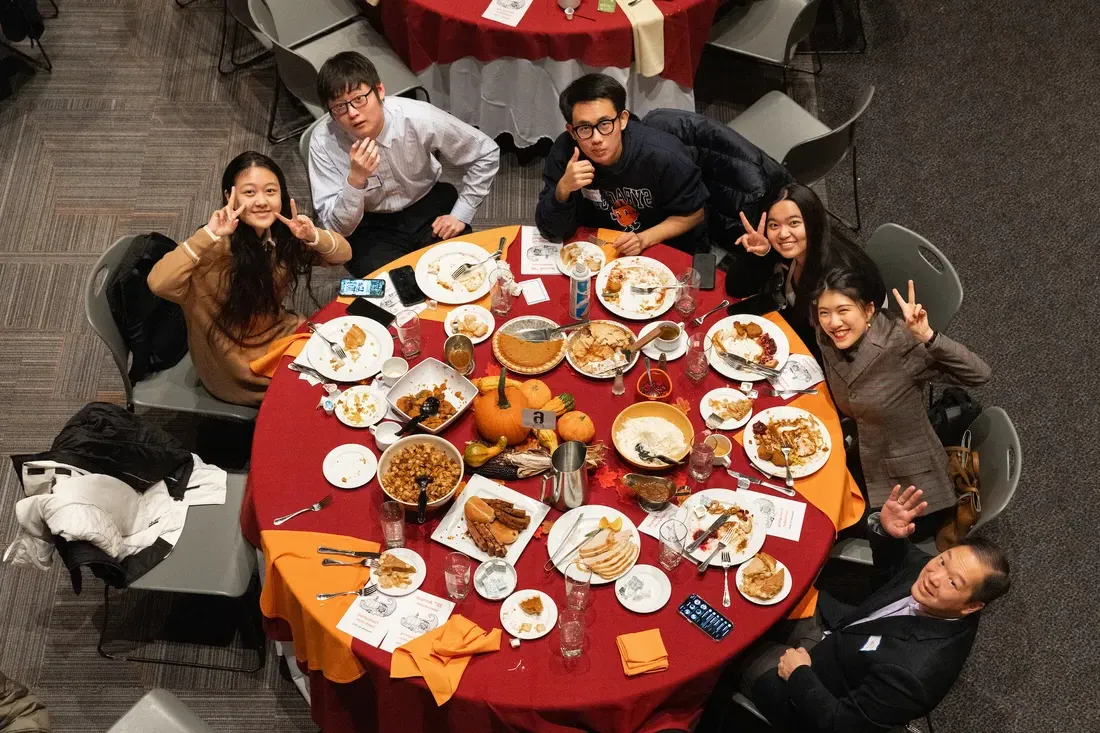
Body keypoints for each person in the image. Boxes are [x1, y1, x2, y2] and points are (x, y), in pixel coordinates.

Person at [743, 485, 1011, 733]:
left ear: (972, 606)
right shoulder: (934, 577)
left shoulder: (913, 675)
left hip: (810, 693)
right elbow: (896, 572)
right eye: (943, 561)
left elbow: (840, 724)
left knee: (730, 642)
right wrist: (887, 533)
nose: (934, 576)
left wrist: (799, 675)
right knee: (759, 590)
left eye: (953, 582)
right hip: (839, 636)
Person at [148, 152, 351, 407]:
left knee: (344, 362)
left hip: (279, 330)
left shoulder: (281, 235)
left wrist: (313, 235)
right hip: (236, 359)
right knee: (315, 394)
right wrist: (208, 234)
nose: (262, 201)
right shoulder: (212, 247)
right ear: (229, 197)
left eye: (270, 191)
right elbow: (159, 283)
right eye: (249, 193)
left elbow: (343, 255)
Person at [812, 267, 992, 537]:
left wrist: (929, 338)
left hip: (911, 492)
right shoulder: (827, 336)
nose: (833, 322)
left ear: (869, 310)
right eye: (824, 313)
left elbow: (980, 374)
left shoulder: (900, 343)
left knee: (823, 526)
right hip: (862, 456)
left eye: (843, 310)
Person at [308, 52, 500, 277]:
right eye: (339, 107)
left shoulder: (417, 117)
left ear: (379, 91)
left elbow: (485, 153)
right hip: (369, 222)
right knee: (393, 295)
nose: (353, 113)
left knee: (457, 274)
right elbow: (336, 229)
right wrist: (355, 181)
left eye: (359, 99)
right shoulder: (322, 142)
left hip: (427, 205)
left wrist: (461, 212)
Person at [535, 73, 709, 255]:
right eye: (584, 128)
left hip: (657, 243)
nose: (596, 139)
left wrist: (644, 239)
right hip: (598, 246)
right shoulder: (566, 152)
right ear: (571, 131)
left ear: (623, 120)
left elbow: (695, 214)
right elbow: (551, 230)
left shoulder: (664, 155)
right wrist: (563, 189)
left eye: (604, 124)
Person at [729, 183, 885, 362]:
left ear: (813, 222)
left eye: (794, 222)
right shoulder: (792, 249)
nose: (783, 233)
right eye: (774, 225)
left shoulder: (835, 280)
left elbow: (843, 349)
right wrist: (760, 254)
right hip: (802, 337)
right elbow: (735, 288)